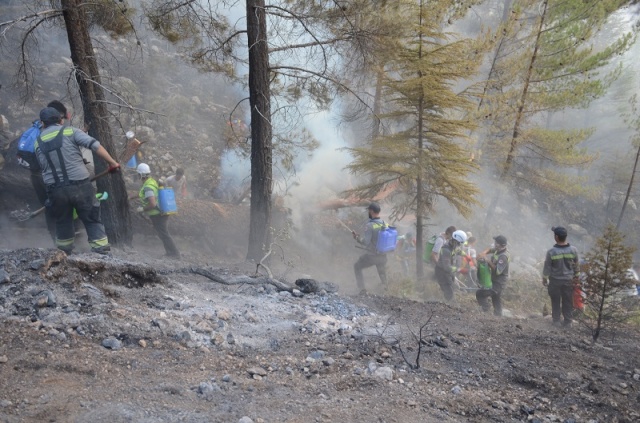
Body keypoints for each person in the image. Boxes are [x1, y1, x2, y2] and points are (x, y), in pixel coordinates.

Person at [34, 107, 119, 254]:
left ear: (42, 123)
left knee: (62, 221)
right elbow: (95, 145)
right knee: (91, 217)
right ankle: (102, 252)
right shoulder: (70, 131)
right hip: (79, 184)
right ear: (61, 120)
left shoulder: (37, 142)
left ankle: (64, 254)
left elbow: (44, 167)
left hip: (55, 189)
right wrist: (112, 163)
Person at [132, 163, 180, 259]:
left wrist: (142, 209)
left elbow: (152, 203)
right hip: (160, 213)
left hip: (158, 214)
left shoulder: (148, 187)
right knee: (163, 234)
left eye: (138, 174)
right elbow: (144, 194)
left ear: (141, 175)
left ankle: (174, 254)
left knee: (164, 234)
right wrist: (131, 197)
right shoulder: (151, 182)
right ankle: (170, 253)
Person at [542, 226, 579, 328]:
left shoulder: (551, 252)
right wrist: (576, 278)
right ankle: (568, 322)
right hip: (568, 281)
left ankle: (556, 321)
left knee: (555, 300)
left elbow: (547, 268)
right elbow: (576, 267)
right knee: (568, 301)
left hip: (555, 281)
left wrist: (544, 279)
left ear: (556, 237)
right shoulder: (573, 250)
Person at [352, 202, 388, 294]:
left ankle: (362, 289)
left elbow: (366, 242)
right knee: (382, 273)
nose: (368, 212)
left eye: (368, 210)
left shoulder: (369, 225)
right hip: (383, 256)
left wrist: (357, 238)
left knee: (357, 266)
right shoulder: (385, 224)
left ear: (371, 211)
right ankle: (387, 290)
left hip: (372, 256)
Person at [476, 235, 510, 316]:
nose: (494, 244)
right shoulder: (497, 251)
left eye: (496, 243)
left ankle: (485, 308)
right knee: (496, 298)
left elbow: (498, 271)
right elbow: (490, 250)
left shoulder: (503, 256)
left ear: (502, 245)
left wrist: (488, 261)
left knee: (480, 293)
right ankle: (498, 316)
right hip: (494, 280)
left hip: (499, 282)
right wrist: (483, 254)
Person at [435, 230, 467, 301]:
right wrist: (459, 269)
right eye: (459, 243)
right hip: (442, 273)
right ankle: (448, 306)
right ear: (455, 241)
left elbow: (458, 251)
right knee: (449, 292)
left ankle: (446, 302)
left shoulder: (453, 246)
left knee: (454, 288)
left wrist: (466, 255)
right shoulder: (446, 250)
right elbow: (447, 267)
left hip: (448, 273)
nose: (459, 245)